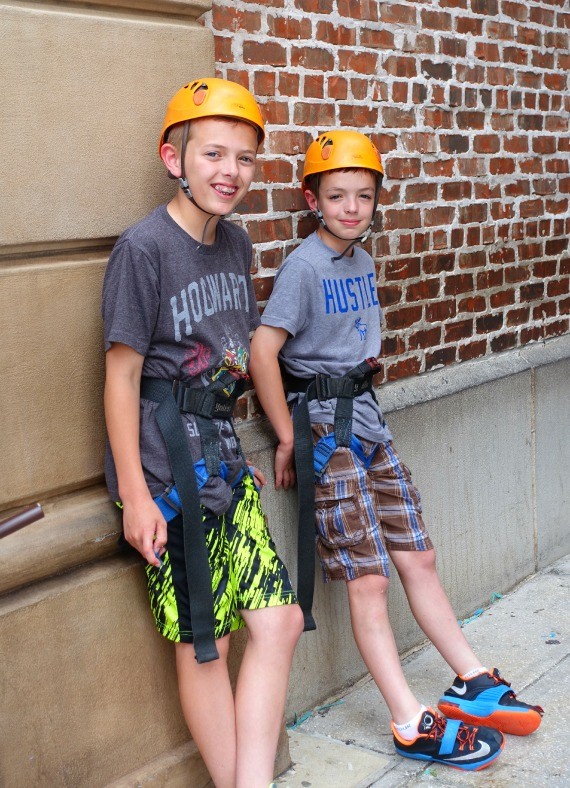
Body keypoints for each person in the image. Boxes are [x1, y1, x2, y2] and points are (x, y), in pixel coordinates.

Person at [249, 129, 543, 772]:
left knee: (419, 554)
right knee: (370, 579)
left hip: (370, 426)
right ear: (311, 200)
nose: (351, 207)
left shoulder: (361, 259)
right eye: (336, 196)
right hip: (327, 437)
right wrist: (290, 436)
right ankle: (409, 720)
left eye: (362, 195)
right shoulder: (303, 267)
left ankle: (471, 679)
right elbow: (263, 350)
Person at [102, 77, 304, 788]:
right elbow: (122, 378)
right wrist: (134, 494)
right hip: (168, 478)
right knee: (207, 643)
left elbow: (237, 354)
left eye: (246, 158)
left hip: (226, 463)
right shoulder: (144, 249)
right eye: (213, 153)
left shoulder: (236, 243)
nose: (230, 172)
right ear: (173, 157)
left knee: (277, 622)